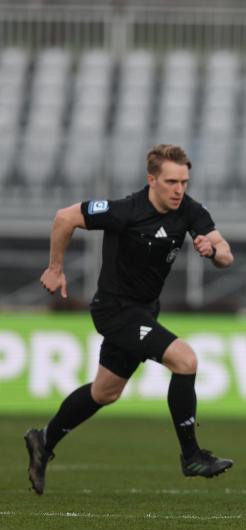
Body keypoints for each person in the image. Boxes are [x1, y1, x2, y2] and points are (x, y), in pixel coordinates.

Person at [25, 144, 235, 495]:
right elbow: (65, 217)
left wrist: (213, 250)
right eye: (171, 181)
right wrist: (56, 267)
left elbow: (225, 253)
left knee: (105, 392)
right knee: (185, 360)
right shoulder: (125, 210)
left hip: (144, 311)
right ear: (151, 179)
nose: (179, 189)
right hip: (115, 310)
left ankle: (43, 440)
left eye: (184, 181)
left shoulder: (190, 210)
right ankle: (191, 455)